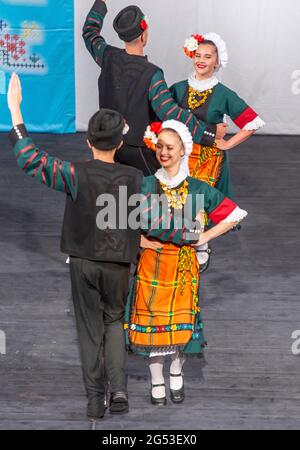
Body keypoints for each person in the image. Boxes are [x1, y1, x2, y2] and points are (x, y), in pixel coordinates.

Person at [7, 73, 145, 421]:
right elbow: (150, 218)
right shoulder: (135, 180)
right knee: (115, 323)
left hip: (83, 262)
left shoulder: (74, 173)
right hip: (119, 266)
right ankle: (121, 390)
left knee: (88, 330)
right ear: (119, 144)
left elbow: (30, 159)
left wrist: (15, 111)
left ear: (88, 143)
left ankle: (93, 400)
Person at [125, 119, 248, 405]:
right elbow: (119, 221)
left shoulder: (197, 188)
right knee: (153, 329)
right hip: (151, 266)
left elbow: (235, 214)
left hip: (183, 268)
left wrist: (204, 236)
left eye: (170, 147)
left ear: (183, 151)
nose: (163, 152)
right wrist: (138, 241)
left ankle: (177, 372)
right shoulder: (144, 184)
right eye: (160, 147)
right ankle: (157, 380)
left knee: (181, 327)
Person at [82, 0, 228, 176]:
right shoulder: (152, 74)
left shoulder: (106, 55)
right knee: (163, 186)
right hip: (138, 152)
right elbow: (172, 113)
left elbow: (89, 32)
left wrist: (101, 2)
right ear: (144, 36)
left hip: (107, 147)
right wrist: (210, 132)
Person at [171, 32, 265, 200]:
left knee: (203, 209)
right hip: (179, 157)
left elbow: (252, 122)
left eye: (207, 57)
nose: (201, 61)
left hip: (209, 162)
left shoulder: (223, 93)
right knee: (179, 210)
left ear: (216, 62)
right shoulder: (177, 89)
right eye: (198, 55)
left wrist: (228, 144)